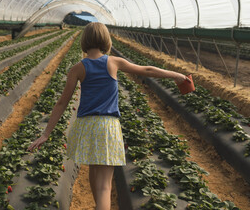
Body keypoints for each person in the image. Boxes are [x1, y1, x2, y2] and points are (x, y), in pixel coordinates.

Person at [27, 22, 190, 210]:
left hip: (86, 126)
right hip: (107, 126)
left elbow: (62, 103)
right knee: (105, 186)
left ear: (84, 41)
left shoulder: (77, 68)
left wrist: (46, 133)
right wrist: (176, 75)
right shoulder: (113, 62)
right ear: (106, 40)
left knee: (94, 172)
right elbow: (146, 70)